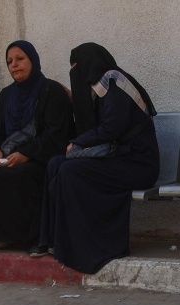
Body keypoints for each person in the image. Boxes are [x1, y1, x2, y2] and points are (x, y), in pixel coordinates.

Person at [37, 43, 159, 275]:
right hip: (118, 159)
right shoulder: (98, 87)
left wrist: (81, 142)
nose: (75, 74)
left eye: (76, 68)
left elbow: (112, 126)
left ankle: (87, 246)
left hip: (138, 164)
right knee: (56, 164)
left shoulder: (112, 80)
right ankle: (56, 241)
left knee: (70, 171)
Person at [0, 41, 72, 257]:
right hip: (9, 157)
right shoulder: (6, 95)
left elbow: (56, 134)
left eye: (20, 59)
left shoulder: (51, 91)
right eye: (9, 61)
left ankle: (34, 239)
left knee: (25, 173)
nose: (14, 65)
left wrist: (27, 154)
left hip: (38, 159)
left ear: (32, 59)